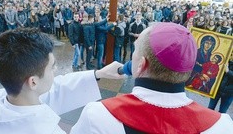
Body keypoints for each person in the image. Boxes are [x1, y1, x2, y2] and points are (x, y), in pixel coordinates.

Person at [71, 23, 233, 134]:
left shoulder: (97, 116)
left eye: (135, 51)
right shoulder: (221, 126)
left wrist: (98, 74)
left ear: (141, 65)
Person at [0, 28, 123, 133]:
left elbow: (56, 88)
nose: (56, 71)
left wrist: (98, 74)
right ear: (33, 82)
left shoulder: (0, 100)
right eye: (52, 67)